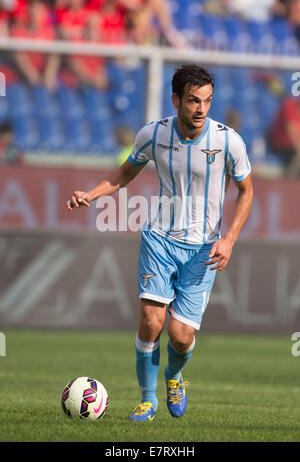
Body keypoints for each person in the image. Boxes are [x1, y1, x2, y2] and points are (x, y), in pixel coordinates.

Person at [66, 64, 253, 421]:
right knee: (151, 322)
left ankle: (174, 375)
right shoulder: (153, 134)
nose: (201, 109)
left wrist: (229, 239)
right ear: (176, 100)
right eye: (194, 101)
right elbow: (125, 172)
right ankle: (147, 400)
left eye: (208, 101)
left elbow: (247, 190)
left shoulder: (228, 140)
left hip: (204, 248)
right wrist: (91, 194)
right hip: (159, 239)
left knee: (180, 336)